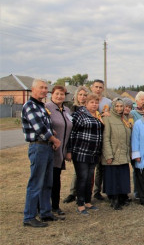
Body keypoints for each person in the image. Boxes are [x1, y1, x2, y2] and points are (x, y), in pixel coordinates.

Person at [22, 79, 63, 227]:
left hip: (46, 147)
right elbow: (39, 128)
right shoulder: (30, 106)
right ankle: (29, 217)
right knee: (36, 183)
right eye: (41, 88)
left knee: (47, 183)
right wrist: (55, 139)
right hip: (38, 148)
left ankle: (46, 213)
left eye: (46, 88)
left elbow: (46, 125)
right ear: (33, 89)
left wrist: (52, 133)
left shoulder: (42, 106)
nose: (45, 90)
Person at [66, 93, 103, 216]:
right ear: (86, 104)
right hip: (81, 152)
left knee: (89, 179)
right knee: (82, 178)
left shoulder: (98, 116)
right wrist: (69, 150)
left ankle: (88, 201)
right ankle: (80, 204)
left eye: (96, 103)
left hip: (93, 153)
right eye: (92, 102)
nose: (94, 105)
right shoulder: (79, 115)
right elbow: (72, 133)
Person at [45, 85, 73, 217]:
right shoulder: (47, 108)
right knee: (47, 180)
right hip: (50, 149)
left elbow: (70, 130)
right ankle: (44, 206)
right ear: (52, 94)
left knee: (56, 180)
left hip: (61, 151)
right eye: (57, 94)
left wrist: (68, 150)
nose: (59, 96)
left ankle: (55, 206)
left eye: (62, 94)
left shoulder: (66, 110)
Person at [101, 98, 132, 210]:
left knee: (122, 178)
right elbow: (106, 138)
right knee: (113, 178)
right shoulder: (108, 119)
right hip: (113, 154)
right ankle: (114, 200)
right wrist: (108, 155)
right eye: (117, 106)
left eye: (121, 106)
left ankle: (122, 197)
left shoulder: (124, 119)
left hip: (123, 154)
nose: (119, 108)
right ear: (113, 107)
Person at [64, 86, 89, 204]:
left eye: (85, 95)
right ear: (76, 96)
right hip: (76, 143)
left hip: (88, 145)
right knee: (78, 171)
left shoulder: (91, 108)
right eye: (80, 95)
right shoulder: (72, 109)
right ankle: (72, 193)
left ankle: (84, 195)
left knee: (85, 173)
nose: (83, 97)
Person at [90, 79, 111, 201]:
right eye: (96, 87)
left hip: (103, 136)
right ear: (92, 87)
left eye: (100, 87)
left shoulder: (108, 102)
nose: (98, 89)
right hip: (91, 137)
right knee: (86, 169)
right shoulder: (88, 100)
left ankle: (97, 191)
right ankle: (75, 192)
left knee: (101, 167)